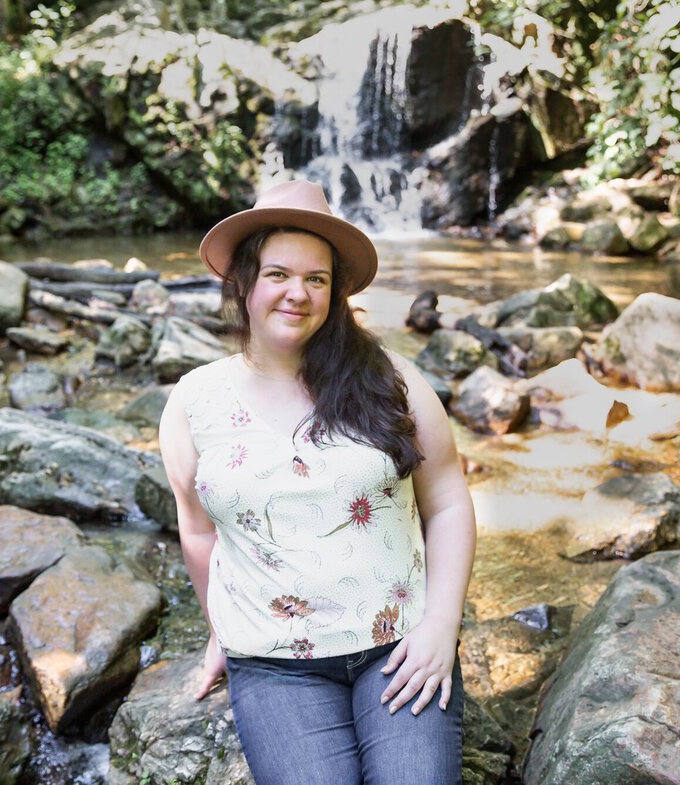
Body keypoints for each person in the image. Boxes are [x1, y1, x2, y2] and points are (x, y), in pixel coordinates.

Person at [159, 179, 476, 785]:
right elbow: (197, 532)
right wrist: (219, 632)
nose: (297, 294)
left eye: (317, 279)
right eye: (278, 273)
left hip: (399, 646)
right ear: (243, 282)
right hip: (275, 664)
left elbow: (448, 501)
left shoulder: (391, 379)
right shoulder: (193, 401)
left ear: (335, 292)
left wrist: (442, 625)